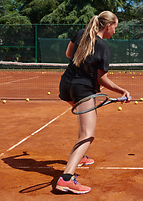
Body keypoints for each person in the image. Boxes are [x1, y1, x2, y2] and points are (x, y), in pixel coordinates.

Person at [56, 11, 131, 194]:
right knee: (88, 135)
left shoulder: (81, 33)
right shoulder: (104, 47)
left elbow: (68, 54)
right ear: (108, 26)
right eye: (115, 27)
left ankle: (79, 156)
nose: (114, 31)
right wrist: (122, 91)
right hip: (82, 91)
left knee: (84, 124)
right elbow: (102, 79)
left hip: (65, 86)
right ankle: (66, 179)